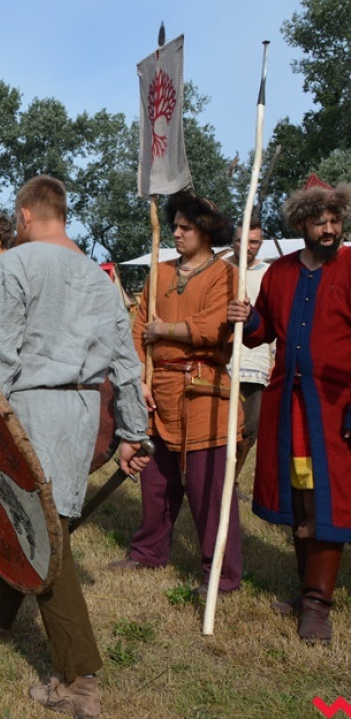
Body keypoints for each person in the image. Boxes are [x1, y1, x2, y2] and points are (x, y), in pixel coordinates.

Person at [0, 175, 151, 719]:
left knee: (45, 535)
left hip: (30, 409)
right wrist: (132, 432)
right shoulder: (99, 278)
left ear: (23, 215)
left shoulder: (15, 265)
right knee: (44, 518)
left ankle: (79, 681)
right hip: (84, 412)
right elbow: (126, 364)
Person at [227, 181, 351, 644]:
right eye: (321, 220)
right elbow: (263, 332)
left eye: (336, 219)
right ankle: (305, 592)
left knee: (326, 501)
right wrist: (246, 317)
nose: (330, 228)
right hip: (289, 408)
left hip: (335, 407)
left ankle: (319, 604)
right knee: (300, 497)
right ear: (303, 223)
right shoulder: (279, 273)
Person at [109, 191, 243, 597]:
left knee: (210, 487)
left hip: (205, 391)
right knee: (155, 480)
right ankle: (149, 551)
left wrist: (164, 329)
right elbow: (137, 330)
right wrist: (140, 380)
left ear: (205, 230)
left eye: (186, 227)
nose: (177, 232)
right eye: (175, 226)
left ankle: (221, 573)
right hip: (159, 387)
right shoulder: (161, 273)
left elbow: (213, 326)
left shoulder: (226, 274)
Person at [225, 220, 271, 500]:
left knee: (249, 428)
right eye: (242, 240)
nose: (248, 247)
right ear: (233, 240)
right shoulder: (220, 269)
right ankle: (212, 479)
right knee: (219, 426)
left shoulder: (269, 273)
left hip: (257, 362)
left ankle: (232, 481)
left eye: (254, 242)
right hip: (224, 360)